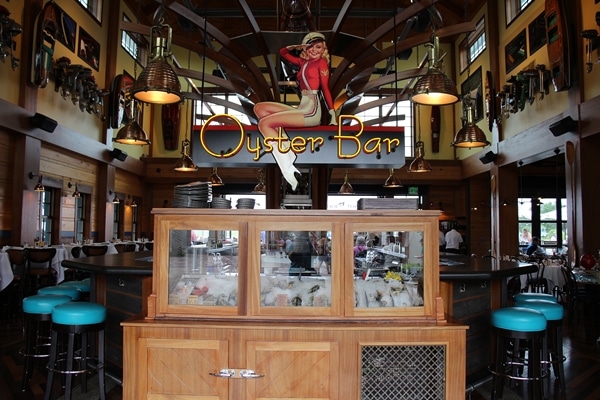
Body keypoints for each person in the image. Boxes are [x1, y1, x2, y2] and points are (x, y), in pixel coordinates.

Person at [254, 31, 337, 190]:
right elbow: (282, 52)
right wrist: (295, 47)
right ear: (305, 48)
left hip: (312, 109)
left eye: (318, 47)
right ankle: (288, 153)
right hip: (302, 105)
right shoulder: (302, 62)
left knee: (264, 124)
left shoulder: (321, 64)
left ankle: (287, 169)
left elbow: (325, 89)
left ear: (323, 49)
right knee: (260, 108)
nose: (314, 50)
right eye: (311, 47)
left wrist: (333, 114)